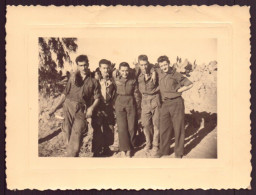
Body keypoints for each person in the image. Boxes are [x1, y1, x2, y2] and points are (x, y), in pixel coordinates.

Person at [48, 55, 101, 157]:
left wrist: (91, 108)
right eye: (81, 65)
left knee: (77, 134)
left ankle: (72, 154)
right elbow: (64, 94)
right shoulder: (72, 78)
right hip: (68, 107)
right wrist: (54, 108)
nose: (83, 68)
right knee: (67, 133)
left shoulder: (93, 81)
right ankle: (72, 158)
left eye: (85, 65)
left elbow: (97, 98)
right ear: (77, 66)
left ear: (88, 64)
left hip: (81, 110)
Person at [154, 55, 193, 158]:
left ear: (169, 63)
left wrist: (178, 90)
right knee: (164, 128)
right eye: (161, 65)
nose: (164, 67)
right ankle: (163, 150)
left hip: (176, 103)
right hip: (165, 103)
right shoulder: (159, 72)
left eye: (165, 64)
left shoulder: (176, 74)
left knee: (178, 128)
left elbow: (190, 84)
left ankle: (179, 152)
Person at [112, 62, 139, 157]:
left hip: (131, 102)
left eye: (126, 70)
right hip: (119, 102)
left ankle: (130, 148)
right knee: (122, 127)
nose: (125, 73)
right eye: (122, 70)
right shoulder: (116, 78)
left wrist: (138, 106)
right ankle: (124, 148)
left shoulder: (133, 80)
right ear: (119, 71)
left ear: (129, 70)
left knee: (131, 127)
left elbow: (136, 93)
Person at [136, 55, 160, 153]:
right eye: (141, 65)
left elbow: (158, 67)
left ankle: (156, 145)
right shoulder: (137, 72)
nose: (144, 67)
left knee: (156, 124)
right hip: (144, 100)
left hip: (155, 98)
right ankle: (148, 142)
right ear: (138, 65)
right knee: (146, 124)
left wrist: (153, 71)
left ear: (148, 63)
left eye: (146, 64)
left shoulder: (155, 71)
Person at [94, 59, 117, 156]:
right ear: (100, 68)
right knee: (98, 129)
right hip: (98, 107)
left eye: (108, 68)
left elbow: (114, 93)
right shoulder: (95, 80)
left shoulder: (113, 80)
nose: (106, 70)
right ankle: (97, 151)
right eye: (104, 68)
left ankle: (107, 148)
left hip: (108, 107)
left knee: (109, 128)